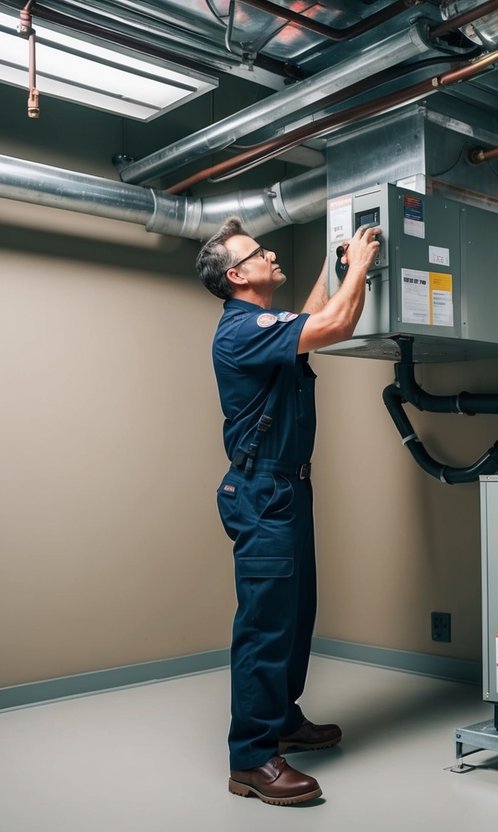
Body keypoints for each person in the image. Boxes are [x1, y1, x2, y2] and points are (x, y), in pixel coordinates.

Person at [195, 217, 381, 806]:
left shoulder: (265, 326)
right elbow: (334, 323)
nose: (271, 253)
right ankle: (251, 759)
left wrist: (336, 262)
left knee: (296, 613)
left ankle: (282, 720)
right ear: (237, 275)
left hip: (288, 490)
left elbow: (307, 317)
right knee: (265, 624)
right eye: (258, 252)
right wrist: (363, 265)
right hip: (261, 493)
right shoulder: (239, 331)